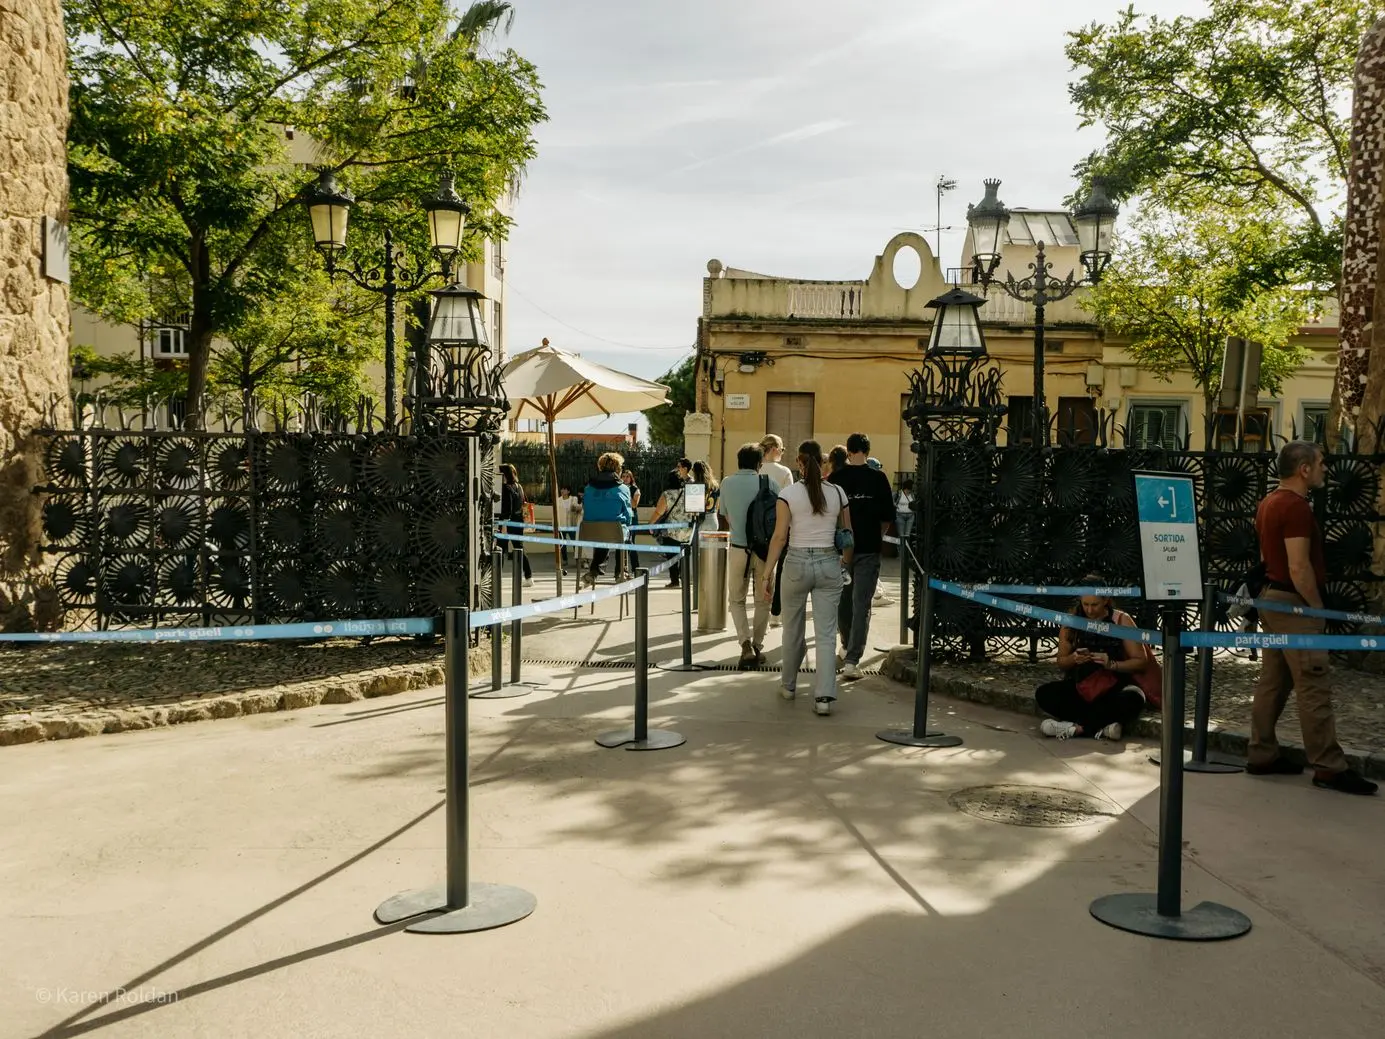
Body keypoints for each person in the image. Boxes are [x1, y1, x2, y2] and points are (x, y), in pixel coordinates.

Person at [1248, 440, 1377, 795]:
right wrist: (1317, 608)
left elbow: (1267, 556)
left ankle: (1261, 753)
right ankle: (1329, 767)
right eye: (1321, 463)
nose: (1325, 468)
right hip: (1294, 604)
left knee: (1273, 680)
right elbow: (1299, 565)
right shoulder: (1295, 507)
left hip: (1271, 599)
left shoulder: (1267, 502)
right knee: (1313, 683)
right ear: (1304, 469)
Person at [762, 440, 853, 716]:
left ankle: (789, 686)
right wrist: (844, 566)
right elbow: (848, 536)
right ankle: (824, 697)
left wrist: (767, 574)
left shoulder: (788, 494)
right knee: (826, 635)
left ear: (799, 463)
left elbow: (779, 538)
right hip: (828, 563)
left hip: (796, 564)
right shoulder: (838, 493)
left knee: (792, 629)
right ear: (823, 462)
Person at [1034, 587, 1148, 740]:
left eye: (1095, 605)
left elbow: (1141, 662)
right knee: (1044, 693)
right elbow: (1061, 662)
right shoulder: (1071, 622)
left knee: (1135, 697)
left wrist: (1112, 664)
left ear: (1106, 601)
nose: (1089, 610)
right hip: (1080, 687)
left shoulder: (1121, 620)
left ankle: (1076, 728)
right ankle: (1103, 727)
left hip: (1114, 688)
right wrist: (1074, 658)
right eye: (1085, 604)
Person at [827, 433, 895, 680]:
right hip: (868, 549)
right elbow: (888, 516)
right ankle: (852, 660)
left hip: (840, 552)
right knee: (861, 604)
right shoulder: (878, 478)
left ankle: (846, 646)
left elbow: (828, 515)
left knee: (843, 602)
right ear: (867, 450)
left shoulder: (836, 478)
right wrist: (876, 535)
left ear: (848, 450)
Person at [718, 443, 770, 669]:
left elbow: (724, 516)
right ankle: (758, 647)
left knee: (736, 600)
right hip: (765, 552)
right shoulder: (770, 483)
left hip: (739, 548)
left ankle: (745, 644)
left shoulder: (727, 483)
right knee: (763, 600)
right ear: (759, 463)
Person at [580, 452, 634, 587]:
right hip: (615, 531)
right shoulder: (623, 489)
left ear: (600, 468)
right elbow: (628, 516)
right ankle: (621, 572)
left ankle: (594, 571)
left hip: (589, 531)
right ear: (617, 469)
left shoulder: (588, 488)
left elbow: (586, 509)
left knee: (603, 534)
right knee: (623, 533)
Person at [649, 471, 693, 586]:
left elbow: (659, 512)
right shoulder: (688, 493)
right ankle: (685, 579)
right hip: (687, 531)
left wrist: (651, 524)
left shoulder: (666, 494)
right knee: (684, 556)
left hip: (671, 531)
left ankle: (674, 580)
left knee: (671, 557)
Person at [498, 464, 533, 587]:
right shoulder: (519, 487)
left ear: (504, 475)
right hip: (518, 522)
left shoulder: (505, 488)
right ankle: (529, 577)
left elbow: (508, 508)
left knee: (499, 549)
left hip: (507, 522)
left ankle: (497, 577)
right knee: (519, 548)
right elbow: (524, 502)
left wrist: (503, 525)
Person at [620, 469, 642, 575]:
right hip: (622, 517)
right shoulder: (618, 488)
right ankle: (622, 568)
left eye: (627, 476)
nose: (625, 478)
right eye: (623, 476)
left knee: (630, 542)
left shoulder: (635, 489)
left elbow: (634, 505)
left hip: (632, 518)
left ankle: (635, 567)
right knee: (622, 543)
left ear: (631, 478)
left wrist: (627, 493)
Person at [554, 485, 579, 574]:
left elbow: (576, 508)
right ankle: (564, 559)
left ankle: (577, 559)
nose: (562, 490)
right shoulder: (558, 500)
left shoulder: (573, 499)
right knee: (562, 544)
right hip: (562, 525)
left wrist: (575, 508)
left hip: (571, 525)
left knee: (574, 542)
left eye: (565, 489)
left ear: (568, 491)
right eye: (562, 489)